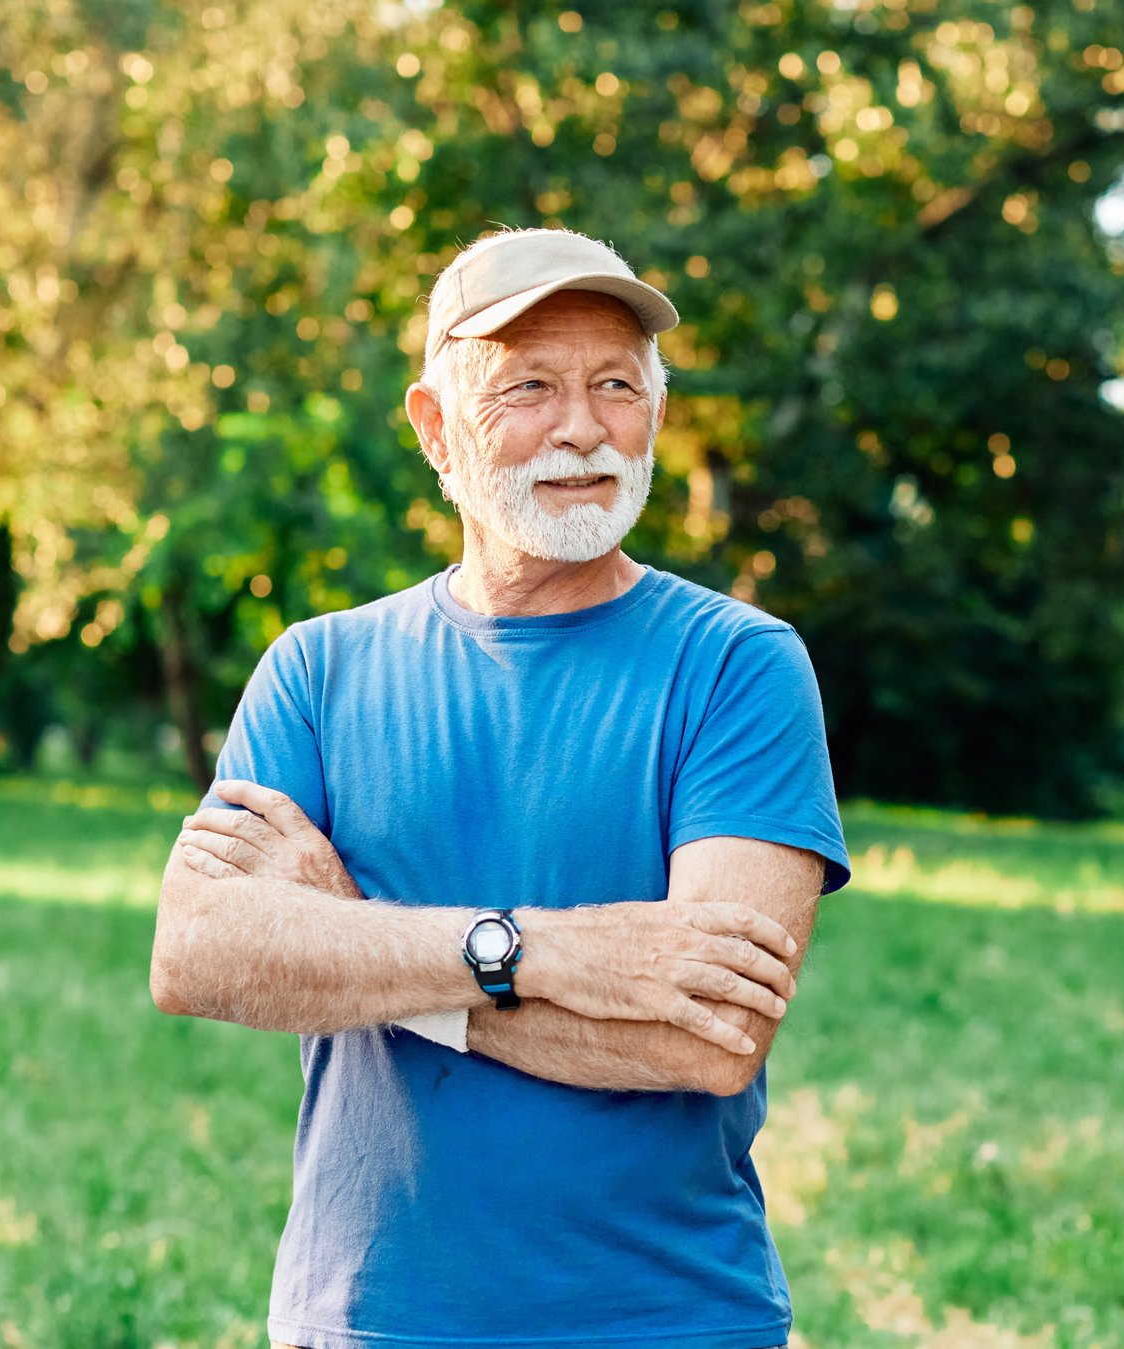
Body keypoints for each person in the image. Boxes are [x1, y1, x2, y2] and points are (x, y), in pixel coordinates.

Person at [150, 226, 850, 1349]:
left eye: (615, 384)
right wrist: (539, 954)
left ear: (655, 414)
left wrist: (365, 947)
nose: (582, 426)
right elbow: (199, 954)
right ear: (435, 425)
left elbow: (712, 1034)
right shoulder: (317, 670)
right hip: (366, 1317)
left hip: (663, 1319)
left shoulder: (738, 664)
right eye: (528, 386)